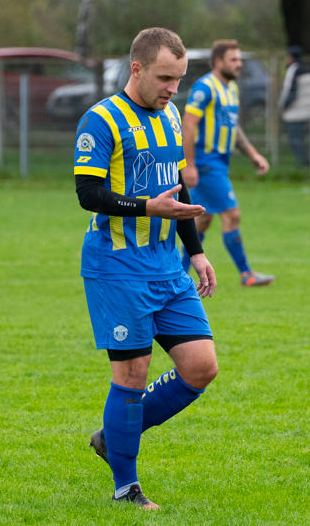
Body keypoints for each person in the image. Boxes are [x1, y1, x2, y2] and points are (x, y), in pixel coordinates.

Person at [75, 27, 218, 510]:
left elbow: (176, 187)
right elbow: (88, 195)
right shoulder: (102, 120)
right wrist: (145, 208)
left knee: (201, 368)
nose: (172, 88)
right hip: (117, 266)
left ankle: (112, 437)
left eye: (178, 79)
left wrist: (195, 250)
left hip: (166, 266)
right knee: (133, 375)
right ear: (136, 68)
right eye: (164, 78)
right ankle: (126, 487)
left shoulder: (172, 114)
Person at [180, 39, 274, 287]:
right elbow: (188, 124)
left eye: (240, 59)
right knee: (232, 214)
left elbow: (232, 126)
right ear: (219, 62)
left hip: (220, 161)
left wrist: (253, 154)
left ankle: (177, 273)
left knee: (203, 218)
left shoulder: (231, 89)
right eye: (234, 60)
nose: (239, 64)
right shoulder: (204, 88)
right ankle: (246, 274)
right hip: (206, 161)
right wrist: (189, 165)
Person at [278, 45, 310, 168]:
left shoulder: (293, 71)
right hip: (307, 111)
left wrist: (283, 106)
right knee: (301, 139)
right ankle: (306, 162)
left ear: (291, 57)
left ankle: (303, 163)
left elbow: (291, 91)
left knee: (295, 140)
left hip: (295, 112)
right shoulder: (308, 70)